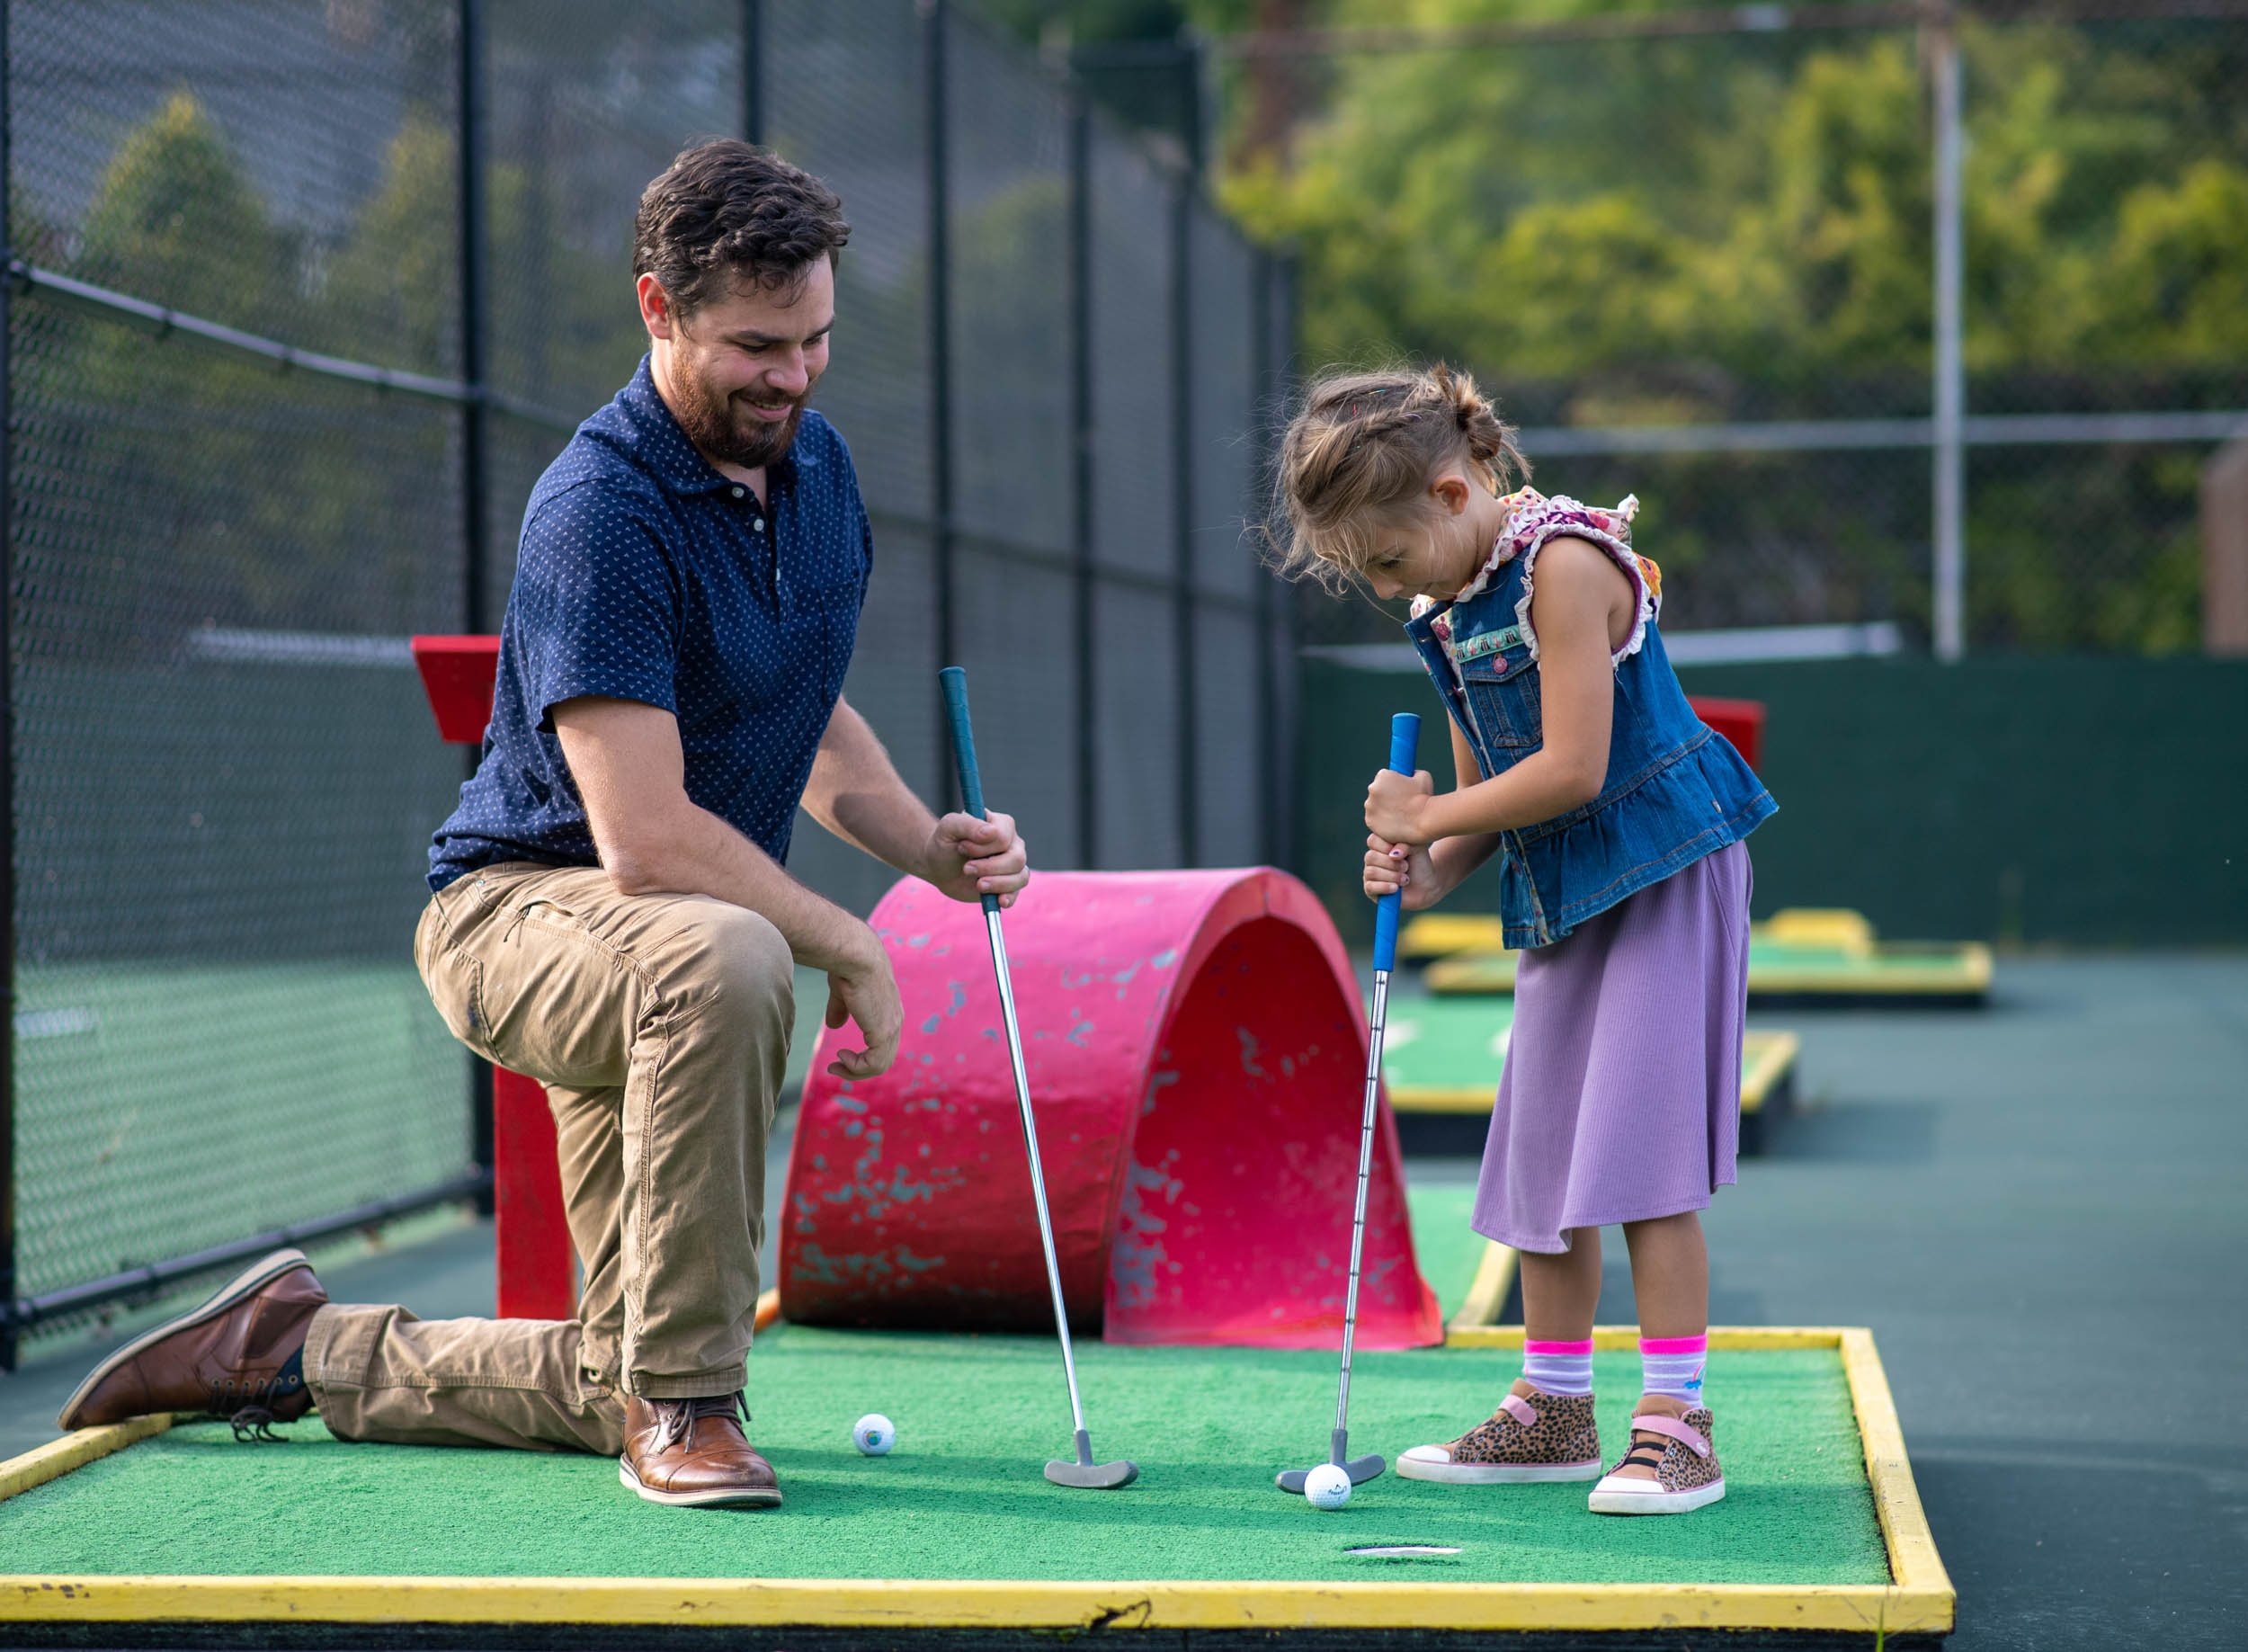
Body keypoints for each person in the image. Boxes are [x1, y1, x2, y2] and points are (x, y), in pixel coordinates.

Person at [58, 140, 1029, 1511]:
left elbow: (802, 710)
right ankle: (696, 1407)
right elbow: (643, 839)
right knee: (736, 951)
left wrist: (927, 846)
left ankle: (289, 1349)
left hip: (661, 949)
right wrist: (852, 943)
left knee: (602, 1374)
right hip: (520, 917)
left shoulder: (819, 472)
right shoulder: (601, 506)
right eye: (757, 345)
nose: (794, 376)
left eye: (815, 340)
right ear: (657, 308)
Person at [1270, 364, 1774, 1516]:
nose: (1380, 584)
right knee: (1540, 1155)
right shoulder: (1443, 611)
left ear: (1454, 494)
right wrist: (1427, 861)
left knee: (1644, 1164)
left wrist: (1428, 818)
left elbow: (1574, 768)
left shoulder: (1566, 567)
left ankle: (1678, 1425)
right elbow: (1488, 795)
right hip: (1565, 886)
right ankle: (1553, 1407)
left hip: (1663, 868)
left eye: (1385, 558)